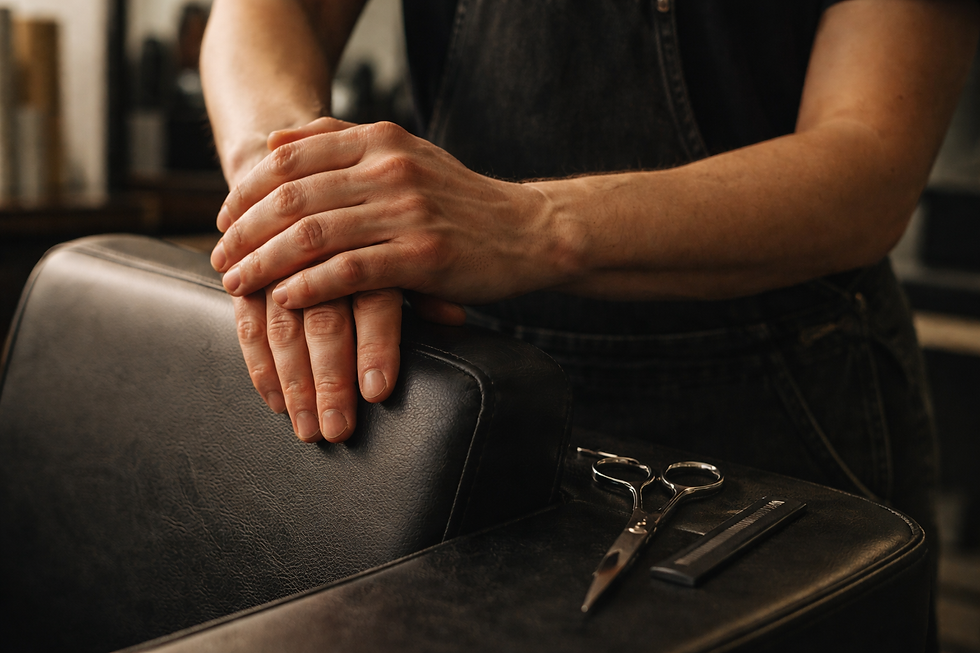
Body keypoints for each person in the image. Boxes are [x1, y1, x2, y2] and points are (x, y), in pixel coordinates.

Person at [200, 1, 977, 647]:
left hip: (782, 408)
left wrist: (529, 225)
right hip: (466, 389)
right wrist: (286, 191)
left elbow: (869, 162)